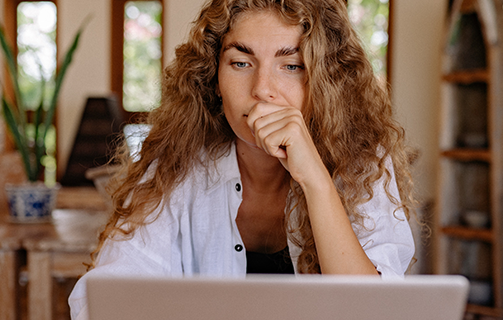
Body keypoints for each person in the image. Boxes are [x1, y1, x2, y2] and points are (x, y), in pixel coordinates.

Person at [69, 0, 417, 318]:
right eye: (240, 62)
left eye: (291, 65)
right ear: (215, 79)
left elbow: (374, 312)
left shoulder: (363, 162)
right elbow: (100, 298)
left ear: (325, 82)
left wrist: (315, 180)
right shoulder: (175, 164)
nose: (262, 88)